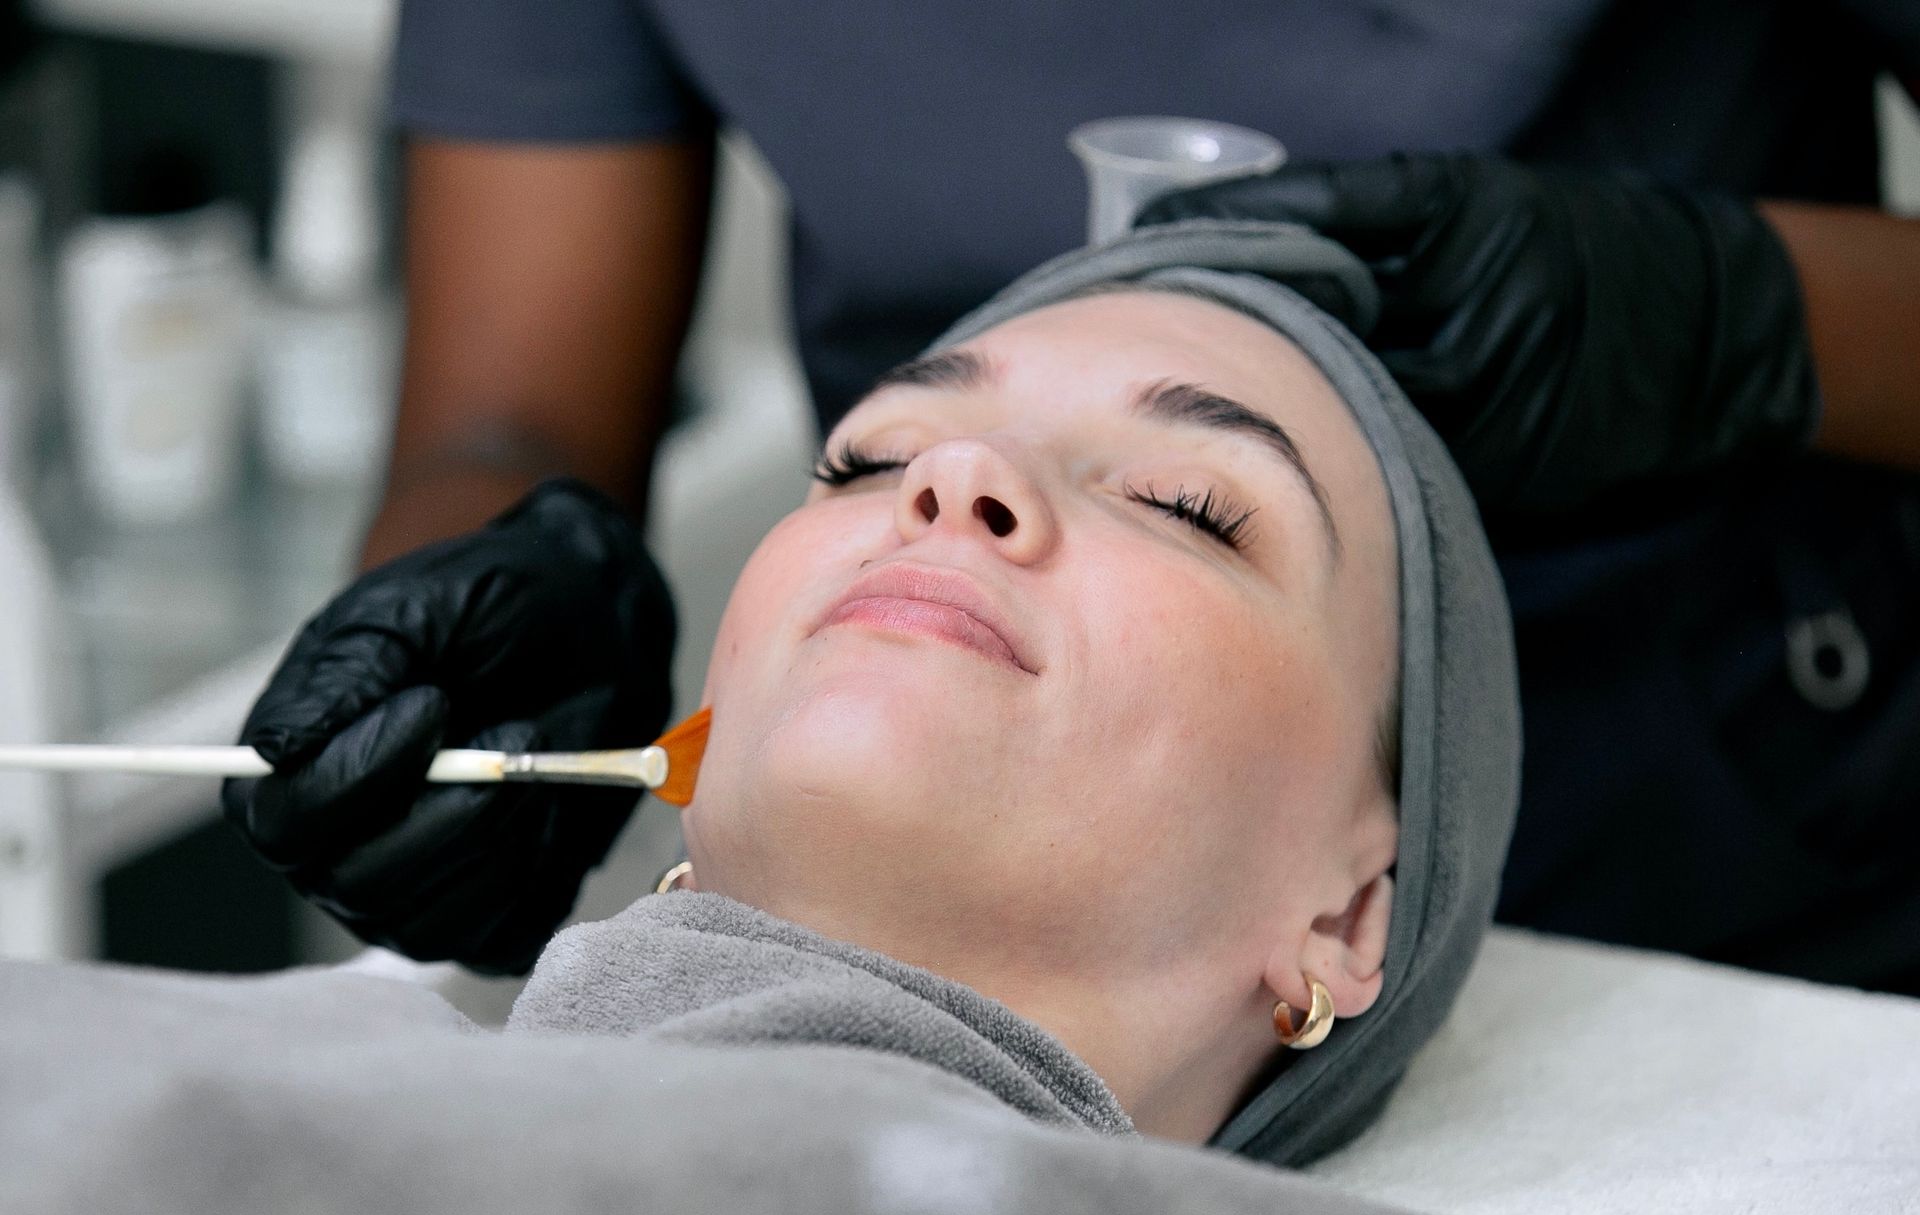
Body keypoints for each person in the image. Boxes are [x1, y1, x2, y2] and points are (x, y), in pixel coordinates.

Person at [228, 2, 1920, 991]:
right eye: (874, 459)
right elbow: (505, 416)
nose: (956, 477)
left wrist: (1734, 324)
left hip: (1739, 812)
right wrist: (474, 614)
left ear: (1345, 922)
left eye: (1195, 504)